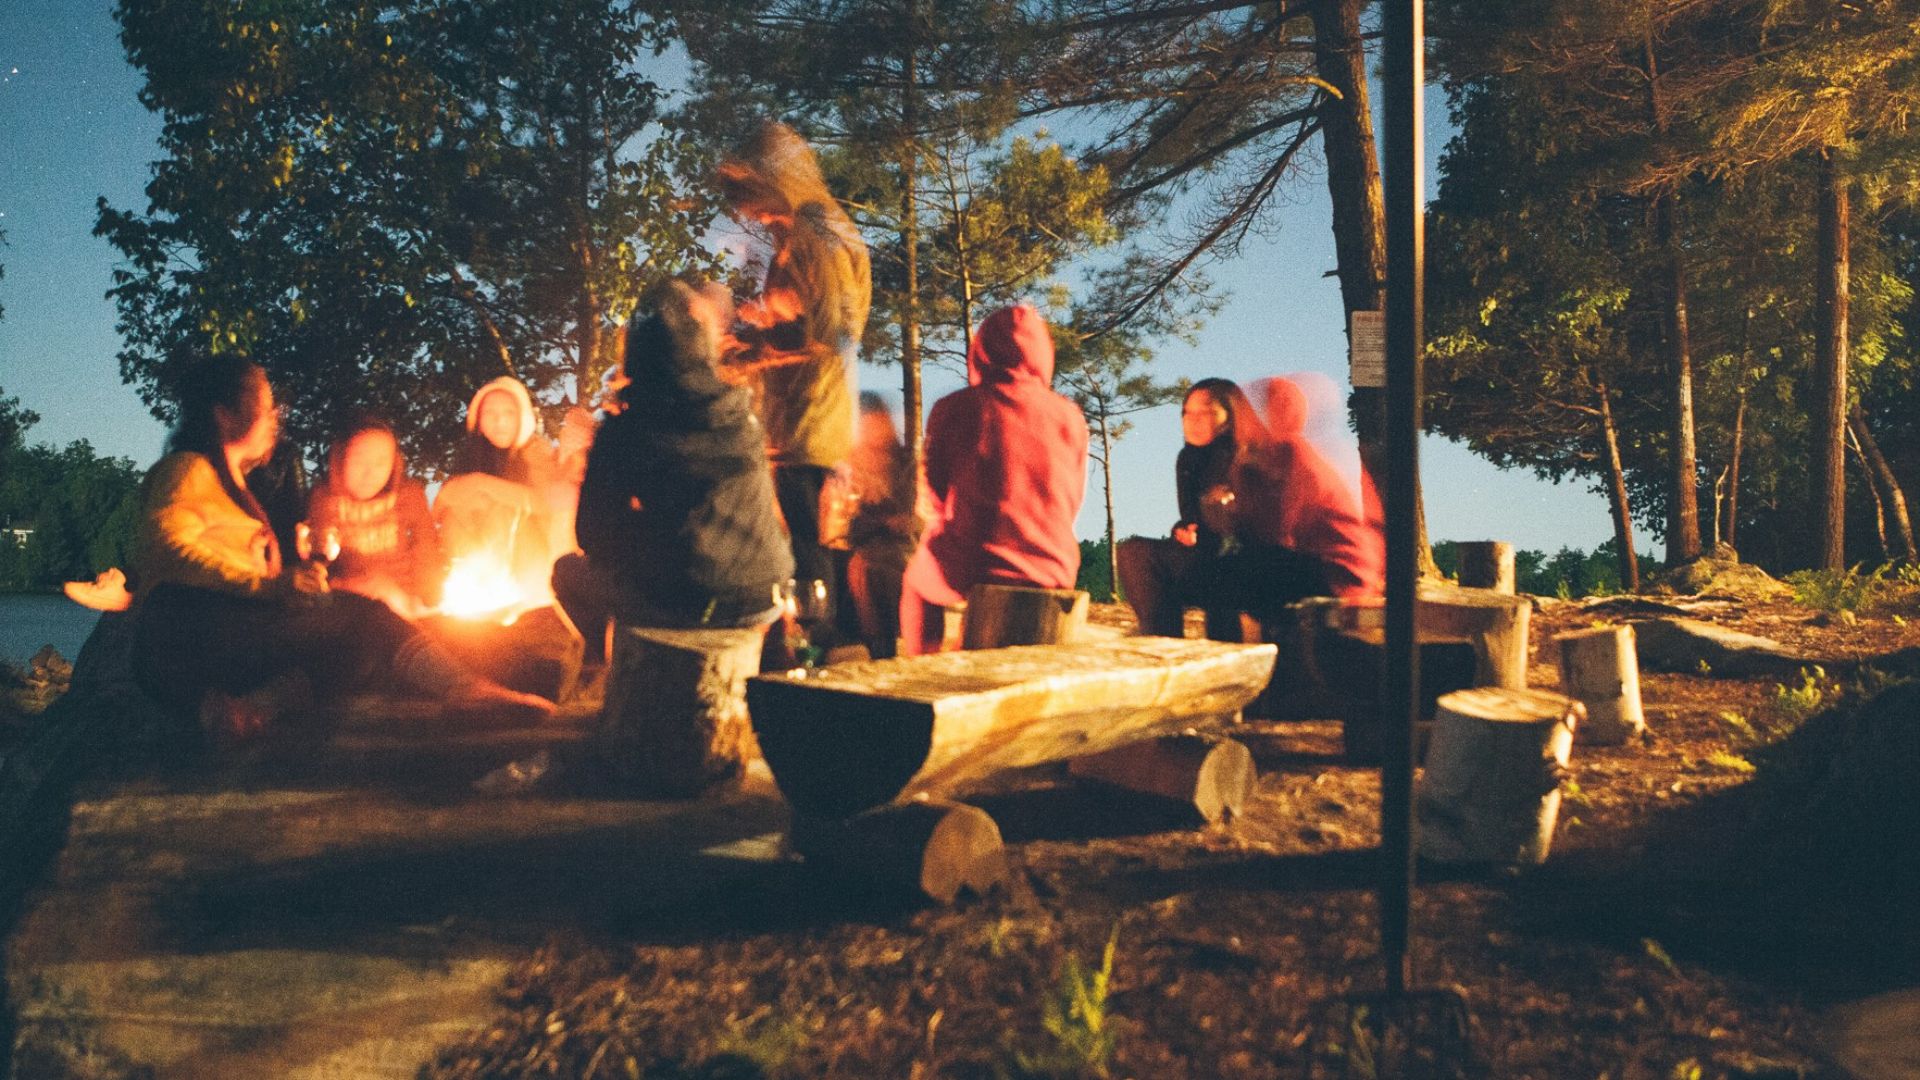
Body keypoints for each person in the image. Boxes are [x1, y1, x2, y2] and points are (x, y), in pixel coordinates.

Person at [129, 357, 553, 742]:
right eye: (266, 405)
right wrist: (267, 587)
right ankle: (464, 688)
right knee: (367, 618)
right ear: (225, 416)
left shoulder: (236, 482)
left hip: (234, 630)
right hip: (197, 631)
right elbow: (165, 549)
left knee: (358, 649)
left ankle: (249, 710)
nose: (275, 417)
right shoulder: (187, 469)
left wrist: (291, 587)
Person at [715, 120, 872, 637]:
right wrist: (763, 315)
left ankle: (822, 664)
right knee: (810, 548)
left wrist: (751, 351)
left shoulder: (818, 233)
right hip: (803, 421)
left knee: (808, 554)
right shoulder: (811, 233)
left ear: (775, 178)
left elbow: (831, 332)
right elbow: (808, 312)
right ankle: (832, 656)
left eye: (753, 196)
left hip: (809, 423)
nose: (749, 213)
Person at [568, 280, 793, 634]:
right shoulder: (739, 414)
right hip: (766, 593)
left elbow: (593, 534)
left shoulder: (628, 426)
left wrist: (656, 536)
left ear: (637, 347)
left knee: (568, 573)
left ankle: (609, 671)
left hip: (692, 601)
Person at [899, 304, 1089, 655]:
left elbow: (936, 491)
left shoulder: (956, 407)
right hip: (1055, 564)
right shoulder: (1071, 416)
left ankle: (920, 665)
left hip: (980, 562)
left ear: (980, 353)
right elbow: (1073, 497)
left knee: (916, 581)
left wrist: (941, 526)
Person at [1115, 378, 1268, 640]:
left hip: (1248, 565)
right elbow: (1192, 517)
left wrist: (1229, 514)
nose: (1192, 420)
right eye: (1187, 412)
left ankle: (1225, 652)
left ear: (1231, 417)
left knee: (1222, 576)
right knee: (1134, 552)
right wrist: (1185, 529)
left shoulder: (1249, 456)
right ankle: (1163, 644)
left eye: (1206, 412)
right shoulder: (1188, 459)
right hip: (1206, 558)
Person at [1231, 376, 1385, 610]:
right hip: (1319, 565)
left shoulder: (1293, 453)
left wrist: (1229, 516)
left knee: (1228, 574)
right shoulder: (1255, 462)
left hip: (1340, 573)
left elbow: (1279, 530)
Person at [436, 376, 567, 607]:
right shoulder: (473, 456)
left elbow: (545, 504)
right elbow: (441, 506)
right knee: (459, 510)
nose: (500, 422)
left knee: (500, 505)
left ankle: (517, 595)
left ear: (523, 417)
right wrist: (461, 490)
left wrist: (483, 484)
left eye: (509, 413)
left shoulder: (536, 451)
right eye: (490, 413)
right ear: (478, 419)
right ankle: (474, 587)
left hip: (533, 558)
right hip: (482, 555)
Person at [305, 418, 446, 617]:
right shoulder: (325, 500)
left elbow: (426, 550)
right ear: (341, 458)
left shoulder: (408, 495)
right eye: (360, 460)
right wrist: (357, 587)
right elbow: (318, 568)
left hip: (408, 605)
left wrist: (427, 598)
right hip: (352, 608)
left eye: (381, 462)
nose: (370, 473)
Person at [839, 392, 921, 658]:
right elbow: (845, 521)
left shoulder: (905, 463)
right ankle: (881, 649)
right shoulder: (849, 463)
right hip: (863, 546)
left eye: (878, 421)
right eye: (866, 423)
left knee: (895, 569)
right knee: (866, 570)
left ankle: (897, 644)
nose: (873, 428)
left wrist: (906, 522)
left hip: (902, 547)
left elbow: (916, 514)